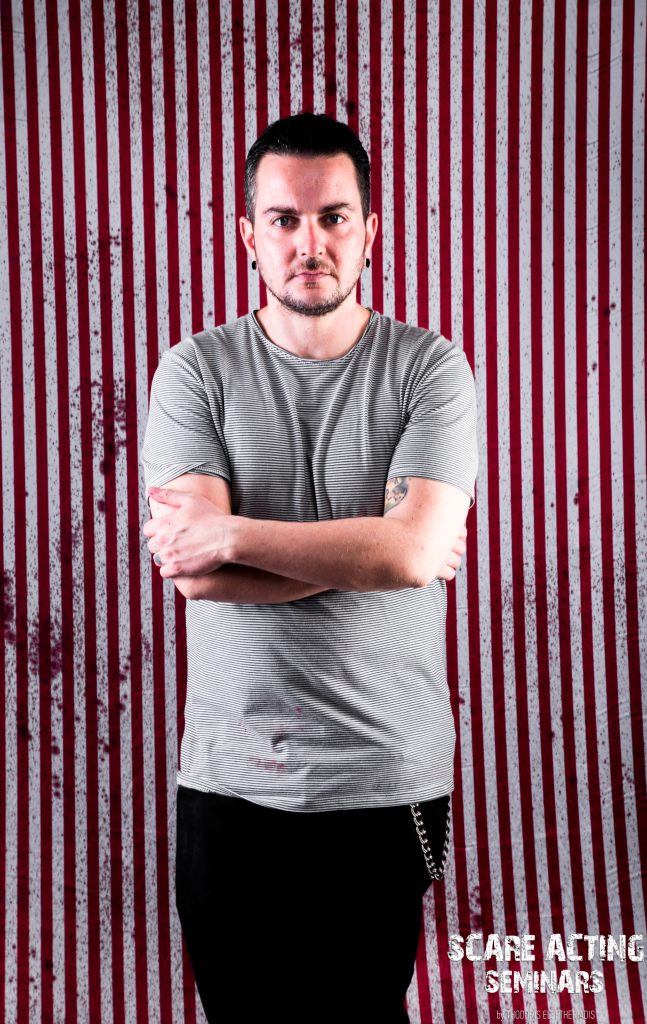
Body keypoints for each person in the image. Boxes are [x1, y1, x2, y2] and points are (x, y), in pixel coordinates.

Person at [140, 112, 478, 1024]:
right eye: (283, 220)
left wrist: (236, 533)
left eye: (333, 217)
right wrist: (384, 551)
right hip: (232, 779)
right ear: (248, 236)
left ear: (370, 231)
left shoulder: (429, 370)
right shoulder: (194, 372)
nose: (309, 243)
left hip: (385, 777)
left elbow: (409, 551)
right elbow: (196, 571)